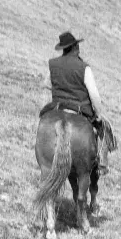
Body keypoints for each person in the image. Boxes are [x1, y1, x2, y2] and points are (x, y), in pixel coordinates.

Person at [40, 31, 110, 175]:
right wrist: (98, 113)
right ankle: (102, 163)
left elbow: (46, 84)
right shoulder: (84, 67)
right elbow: (94, 94)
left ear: (63, 48)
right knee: (103, 128)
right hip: (79, 108)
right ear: (75, 47)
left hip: (58, 106)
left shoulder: (53, 64)